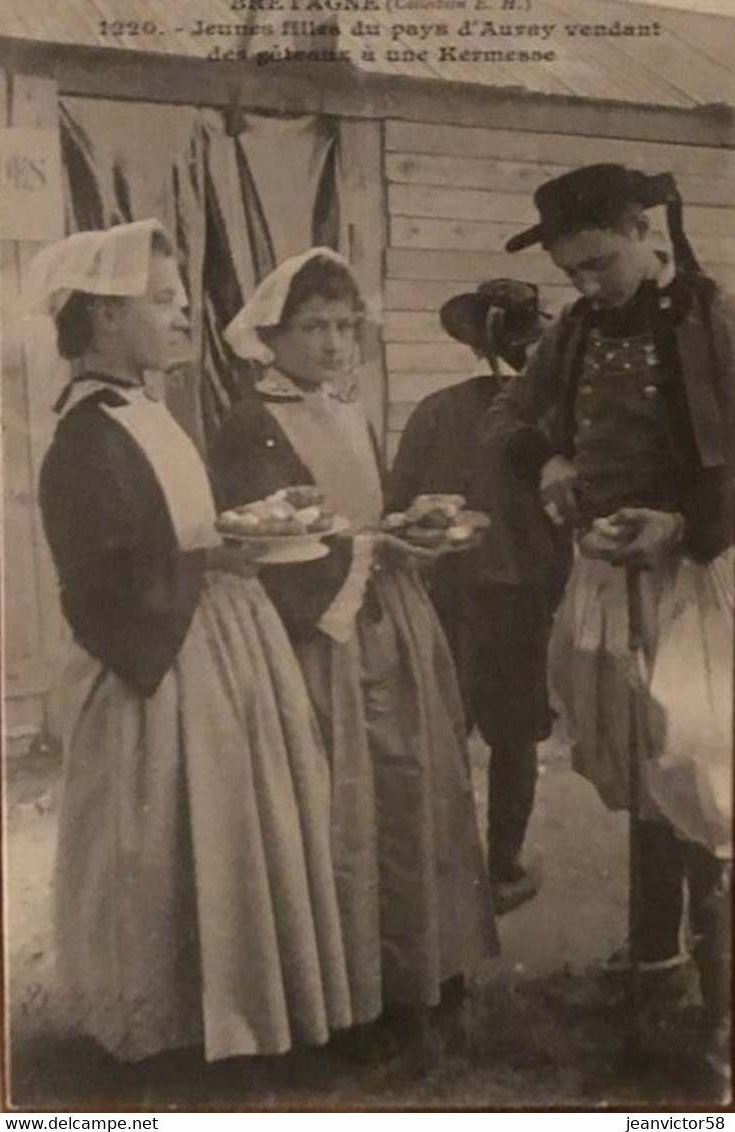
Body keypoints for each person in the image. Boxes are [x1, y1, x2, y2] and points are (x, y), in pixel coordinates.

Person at [32, 220, 355, 1062]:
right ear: (105, 319)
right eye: (165, 302)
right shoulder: (84, 437)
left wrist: (231, 549)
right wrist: (215, 558)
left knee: (232, 829)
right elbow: (99, 584)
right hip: (160, 668)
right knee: (166, 840)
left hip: (215, 641)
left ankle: (235, 1013)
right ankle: (167, 1029)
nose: (184, 318)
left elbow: (187, 529)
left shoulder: (148, 412)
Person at [481, 164, 733, 1088]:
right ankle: (654, 968)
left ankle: (721, 1020)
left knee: (704, 784)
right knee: (639, 773)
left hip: (698, 584)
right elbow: (510, 412)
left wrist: (683, 523)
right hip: (606, 582)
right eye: (573, 271)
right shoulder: (580, 332)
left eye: (598, 263)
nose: (587, 285)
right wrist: (546, 456)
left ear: (641, 232)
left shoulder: (709, 320)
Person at [211, 248, 498, 1058]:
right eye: (313, 328)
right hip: (317, 639)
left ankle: (419, 973)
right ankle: (348, 997)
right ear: (272, 334)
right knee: (340, 801)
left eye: (344, 326)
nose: (334, 344)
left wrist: (411, 529)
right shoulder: (250, 423)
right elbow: (269, 544)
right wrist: (370, 549)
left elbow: (369, 511)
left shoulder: (348, 409)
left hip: (389, 619)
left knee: (413, 789)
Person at [388, 279, 571, 914]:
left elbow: (398, 503)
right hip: (519, 601)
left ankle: (443, 873)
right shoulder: (551, 426)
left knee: (444, 731)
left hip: (444, 595)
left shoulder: (436, 410)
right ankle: (502, 867)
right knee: (515, 737)